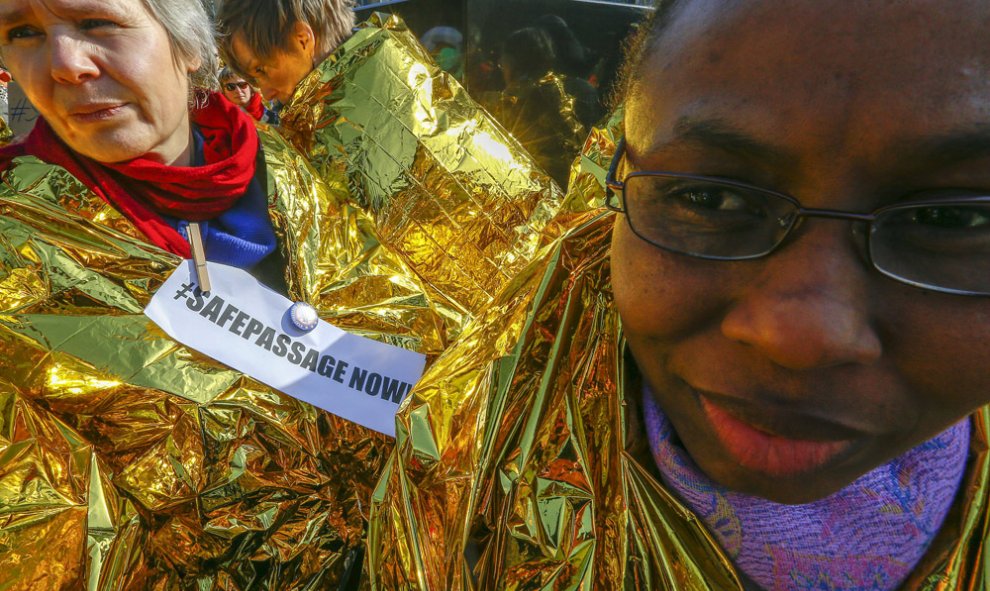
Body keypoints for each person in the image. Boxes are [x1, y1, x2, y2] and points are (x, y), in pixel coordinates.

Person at [368, 1, 990, 589]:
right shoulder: (462, 491)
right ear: (615, 183)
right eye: (708, 198)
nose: (801, 338)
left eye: (948, 220)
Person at [0, 0, 470, 589]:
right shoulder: (15, 251)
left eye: (97, 22)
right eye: (22, 32)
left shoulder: (333, 170)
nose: (66, 64)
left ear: (190, 45)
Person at [215, 0, 588, 344]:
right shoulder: (394, 72)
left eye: (261, 69)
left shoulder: (344, 124)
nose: (262, 88)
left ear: (302, 38)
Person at [483, 26, 587, 188]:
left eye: (503, 63)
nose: (502, 69)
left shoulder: (515, 103)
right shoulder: (560, 93)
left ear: (512, 63)